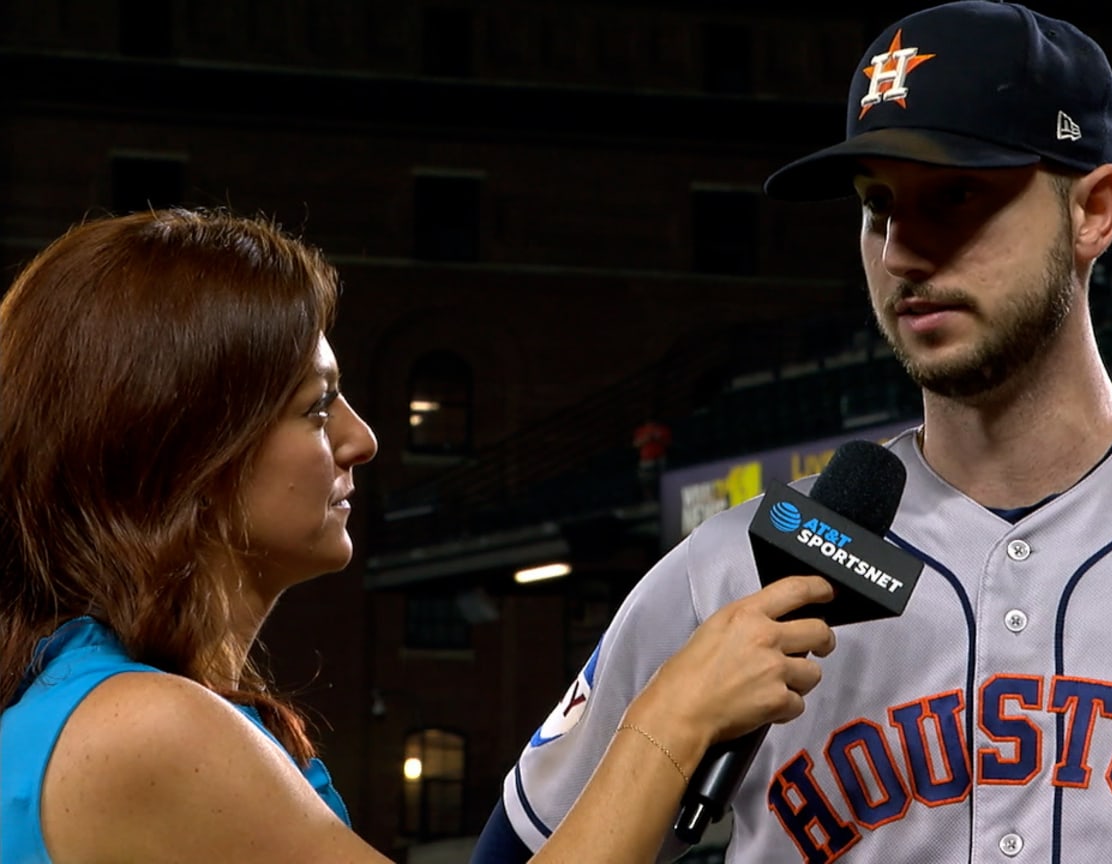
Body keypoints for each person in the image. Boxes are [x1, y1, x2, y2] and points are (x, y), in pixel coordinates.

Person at [476, 3, 1112, 862]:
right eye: (878, 204)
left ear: (1096, 212)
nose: (901, 251)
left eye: (956, 198)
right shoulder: (729, 576)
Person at [0, 208, 837, 864]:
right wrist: (675, 713)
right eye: (316, 407)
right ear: (185, 450)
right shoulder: (142, 727)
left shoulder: (102, 701)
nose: (360, 439)